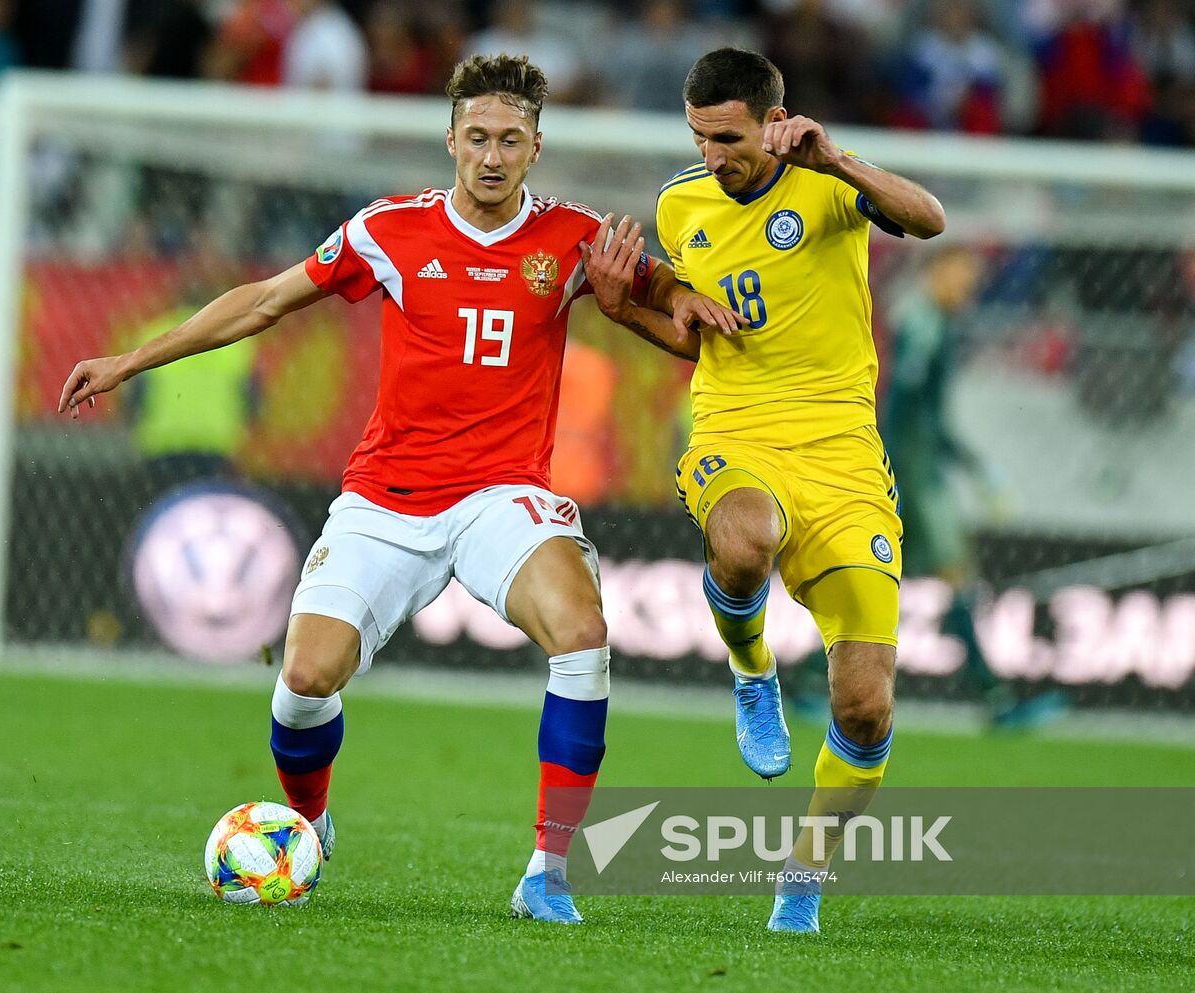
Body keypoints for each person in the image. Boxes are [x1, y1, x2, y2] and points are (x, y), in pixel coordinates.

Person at [58, 54, 734, 924]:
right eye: (479, 137)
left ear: (536, 149)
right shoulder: (389, 230)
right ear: (451, 139)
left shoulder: (573, 239)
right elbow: (265, 301)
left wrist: (654, 298)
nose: (492, 155)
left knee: (582, 631)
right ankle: (307, 820)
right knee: (303, 680)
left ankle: (547, 870)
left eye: (512, 140)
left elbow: (675, 317)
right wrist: (129, 360)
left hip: (504, 496)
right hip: (387, 495)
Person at [638, 47, 945, 934]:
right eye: (698, 136)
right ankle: (751, 669)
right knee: (743, 539)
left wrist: (839, 160)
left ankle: (802, 879)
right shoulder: (678, 203)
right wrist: (655, 294)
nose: (711, 156)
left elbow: (928, 219)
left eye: (727, 138)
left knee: (866, 700)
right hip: (736, 433)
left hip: (846, 455)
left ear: (774, 122)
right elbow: (689, 309)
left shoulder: (826, 186)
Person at [882, 245, 1068, 727]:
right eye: (962, 274)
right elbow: (904, 411)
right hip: (915, 477)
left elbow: (924, 416)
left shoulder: (932, 322)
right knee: (948, 578)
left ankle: (807, 681)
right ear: (937, 270)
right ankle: (994, 698)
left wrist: (973, 466)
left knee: (888, 583)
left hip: (917, 471)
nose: (969, 287)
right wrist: (905, 476)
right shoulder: (921, 324)